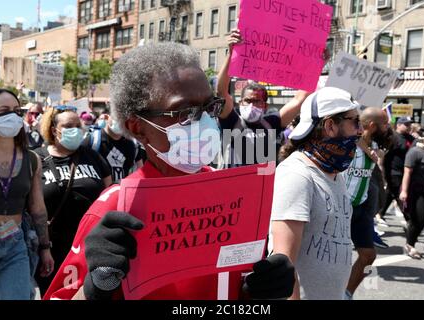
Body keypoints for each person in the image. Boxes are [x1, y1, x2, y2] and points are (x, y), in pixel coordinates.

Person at [44, 42, 295, 300]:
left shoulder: (230, 195)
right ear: (138, 127)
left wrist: (262, 288)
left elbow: (232, 286)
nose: (206, 121)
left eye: (210, 108)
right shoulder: (116, 208)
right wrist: (96, 287)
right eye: (186, 112)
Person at [268, 87, 362, 300]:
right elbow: (284, 263)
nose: (361, 130)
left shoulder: (334, 172)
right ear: (330, 125)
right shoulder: (297, 174)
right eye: (355, 122)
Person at [34, 105, 112, 295]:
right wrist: (43, 248)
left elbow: (110, 195)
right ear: (55, 131)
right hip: (53, 249)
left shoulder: (92, 156)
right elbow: (33, 206)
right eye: (69, 126)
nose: (76, 130)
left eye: (79, 125)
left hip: (91, 246)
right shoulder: (37, 158)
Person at [216, 29, 309, 168]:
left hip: (263, 187)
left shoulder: (271, 124)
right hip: (232, 187)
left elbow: (299, 100)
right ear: (240, 103)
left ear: (265, 106)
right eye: (248, 100)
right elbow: (221, 91)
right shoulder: (231, 121)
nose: (251, 105)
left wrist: (316, 65)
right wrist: (232, 54)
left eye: (257, 101)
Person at [0, 88, 54, 300]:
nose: (12, 116)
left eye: (16, 110)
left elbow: (38, 209)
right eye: (4, 110)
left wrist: (45, 247)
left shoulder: (32, 159)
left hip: (14, 245)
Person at [343, 107, 391, 299]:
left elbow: (384, 147)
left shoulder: (375, 146)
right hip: (340, 208)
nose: (388, 128)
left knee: (368, 256)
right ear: (371, 125)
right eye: (385, 124)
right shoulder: (348, 143)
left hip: (361, 208)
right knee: (335, 258)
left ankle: (346, 294)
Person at [399, 132, 424, 259]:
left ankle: (410, 240)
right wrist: (404, 191)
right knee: (420, 218)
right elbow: (407, 172)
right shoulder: (414, 152)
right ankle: (410, 245)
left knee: (423, 218)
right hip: (415, 189)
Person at [82, 110, 142, 183]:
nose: (120, 122)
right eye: (117, 118)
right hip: (100, 193)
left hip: (122, 191)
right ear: (107, 117)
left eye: (123, 119)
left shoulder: (132, 144)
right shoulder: (93, 140)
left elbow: (140, 170)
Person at [377, 116, 415, 223]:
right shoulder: (392, 137)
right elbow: (382, 155)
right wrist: (381, 171)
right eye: (406, 124)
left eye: (410, 125)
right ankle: (409, 219)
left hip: (406, 172)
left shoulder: (411, 138)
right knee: (400, 194)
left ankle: (380, 213)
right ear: (398, 125)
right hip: (393, 171)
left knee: (390, 193)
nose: (409, 127)